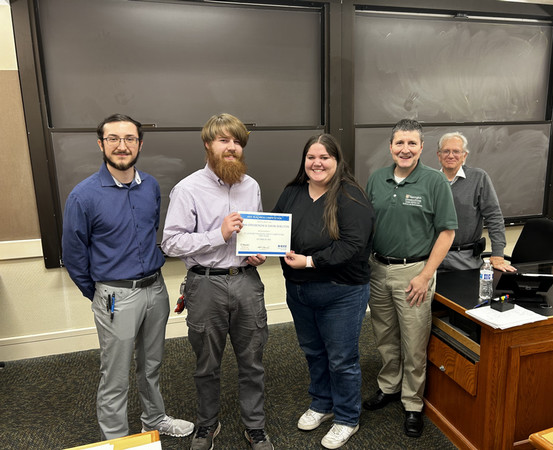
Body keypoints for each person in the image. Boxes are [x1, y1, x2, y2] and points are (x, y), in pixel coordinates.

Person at [62, 113, 194, 441]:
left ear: (139, 143)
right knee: (115, 377)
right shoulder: (83, 195)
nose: (122, 146)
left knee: (151, 366)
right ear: (101, 144)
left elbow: (153, 233)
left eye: (129, 139)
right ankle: (119, 442)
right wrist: (100, 293)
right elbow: (74, 256)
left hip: (155, 289)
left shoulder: (150, 186)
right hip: (114, 296)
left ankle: (155, 420)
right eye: (113, 139)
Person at [161, 113, 273, 450]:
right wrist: (217, 235)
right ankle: (207, 425)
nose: (232, 147)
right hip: (204, 285)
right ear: (208, 144)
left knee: (252, 361)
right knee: (206, 364)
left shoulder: (250, 185)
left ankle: (255, 426)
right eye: (224, 140)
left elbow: (255, 235)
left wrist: (259, 253)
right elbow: (171, 243)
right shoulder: (188, 189)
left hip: (246, 282)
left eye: (237, 141)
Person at [273, 133, 374, 449]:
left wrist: (310, 261)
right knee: (313, 351)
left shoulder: (351, 196)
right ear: (304, 161)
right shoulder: (292, 192)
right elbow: (275, 228)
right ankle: (322, 403)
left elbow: (353, 246)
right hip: (299, 291)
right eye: (311, 157)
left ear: (337, 161)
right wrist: (260, 248)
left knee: (342, 359)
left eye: (324, 157)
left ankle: (347, 418)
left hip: (341, 292)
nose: (317, 163)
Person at [363, 119, 457, 438]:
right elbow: (366, 227)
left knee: (414, 343)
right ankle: (389, 387)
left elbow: (447, 232)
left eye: (412, 144)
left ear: (421, 148)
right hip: (378, 269)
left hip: (414, 273)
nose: (405, 149)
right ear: (390, 147)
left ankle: (412, 403)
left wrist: (425, 275)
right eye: (399, 143)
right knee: (385, 335)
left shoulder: (434, 182)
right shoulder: (376, 179)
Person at [436, 132, 516, 272]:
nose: (450, 155)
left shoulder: (479, 178)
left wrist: (498, 254)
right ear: (439, 155)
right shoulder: (429, 180)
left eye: (456, 151)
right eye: (446, 151)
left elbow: (494, 217)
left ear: (464, 156)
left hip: (465, 260)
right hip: (432, 258)